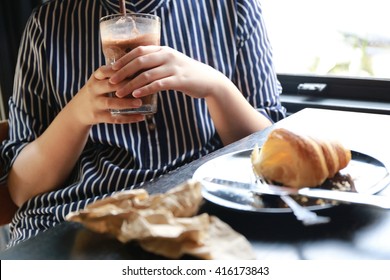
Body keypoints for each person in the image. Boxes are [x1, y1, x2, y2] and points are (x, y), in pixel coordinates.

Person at [0, 0, 286, 247]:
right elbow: (20, 190)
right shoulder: (46, 24)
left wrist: (217, 87)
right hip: (73, 217)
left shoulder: (232, 8)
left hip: (195, 209)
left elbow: (272, 154)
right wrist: (77, 114)